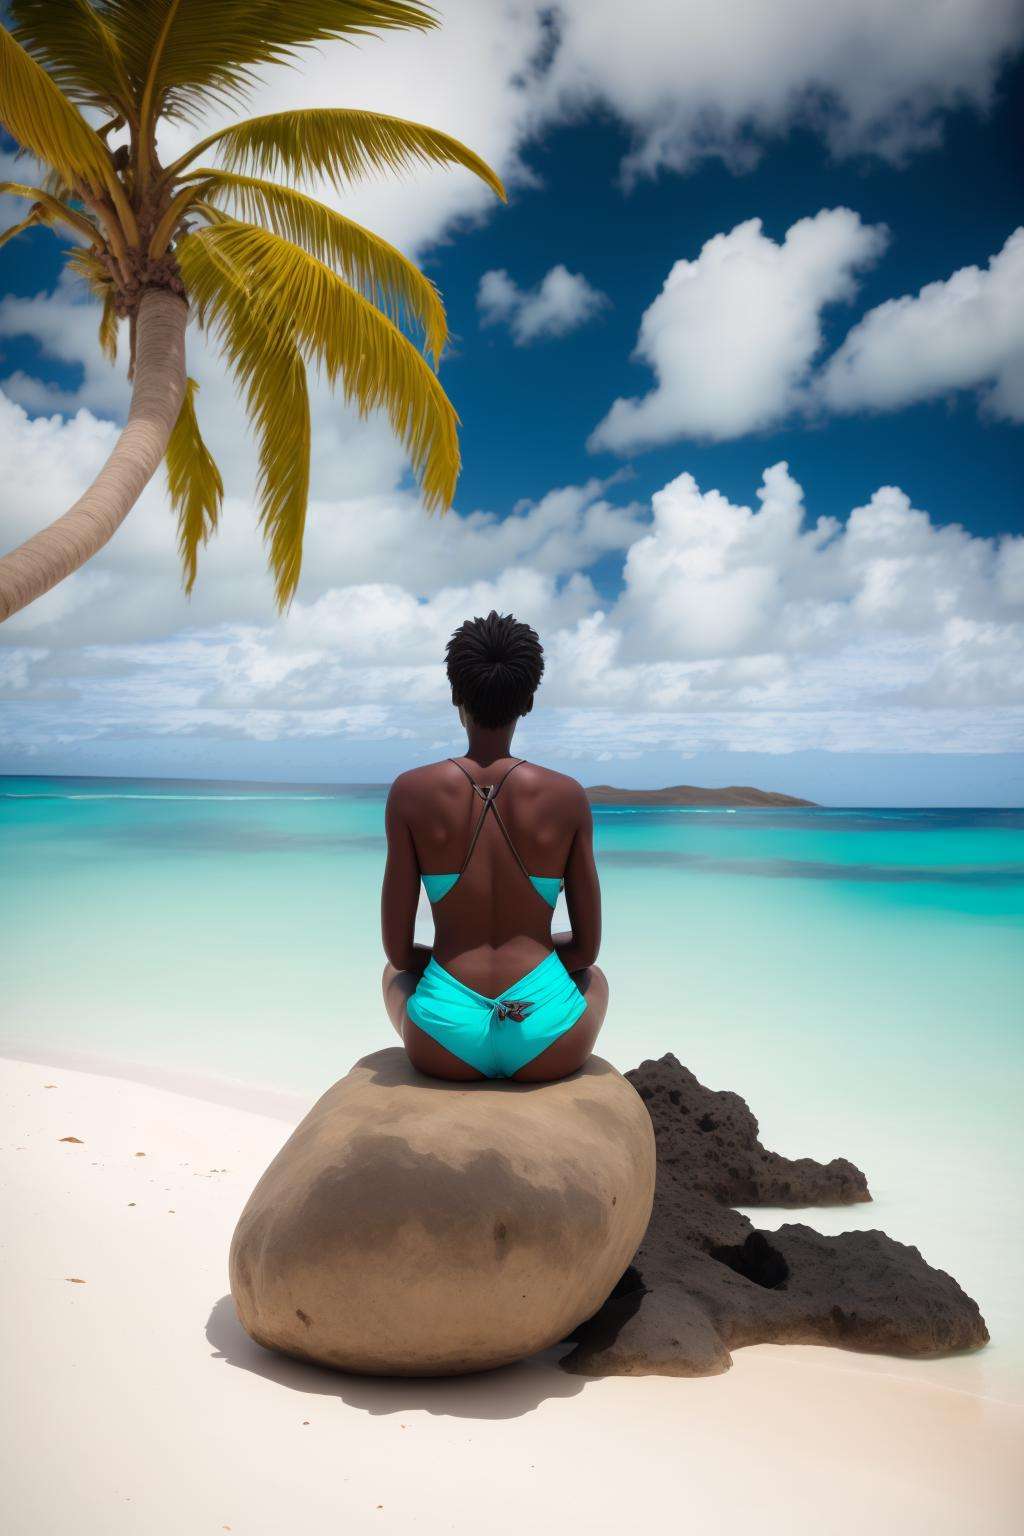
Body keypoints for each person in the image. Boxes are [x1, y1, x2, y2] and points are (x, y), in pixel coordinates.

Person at [381, 610, 606, 1082]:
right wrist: (536, 954)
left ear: (455, 694)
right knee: (594, 981)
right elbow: (586, 950)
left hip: (445, 1038)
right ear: (527, 700)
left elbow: (400, 954)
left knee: (392, 976)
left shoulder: (409, 792)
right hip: (544, 1031)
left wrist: (455, 965)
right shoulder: (567, 796)